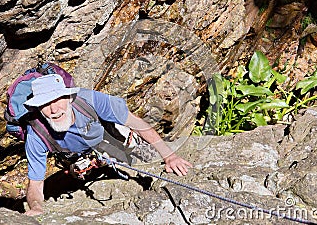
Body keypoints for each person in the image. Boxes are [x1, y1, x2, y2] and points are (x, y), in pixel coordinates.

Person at [22, 74, 192, 216]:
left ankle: (126, 146)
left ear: (69, 97)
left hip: (106, 135)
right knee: (77, 171)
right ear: (37, 108)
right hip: (76, 155)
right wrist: (36, 207)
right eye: (45, 103)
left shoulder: (90, 100)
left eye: (58, 99)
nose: (54, 109)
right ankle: (95, 164)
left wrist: (169, 156)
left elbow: (136, 123)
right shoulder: (37, 134)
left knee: (133, 147)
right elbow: (35, 184)